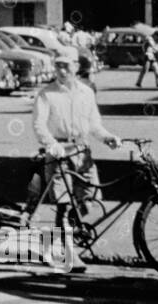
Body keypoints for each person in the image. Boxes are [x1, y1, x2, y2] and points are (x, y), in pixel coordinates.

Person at [31, 54, 121, 273]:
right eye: (58, 66)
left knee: (88, 202)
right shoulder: (46, 94)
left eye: (66, 66)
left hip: (82, 152)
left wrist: (108, 137)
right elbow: (39, 126)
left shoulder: (86, 92)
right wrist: (52, 146)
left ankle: (52, 245)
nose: (61, 71)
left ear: (76, 67)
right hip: (59, 153)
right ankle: (71, 255)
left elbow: (94, 124)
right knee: (64, 204)